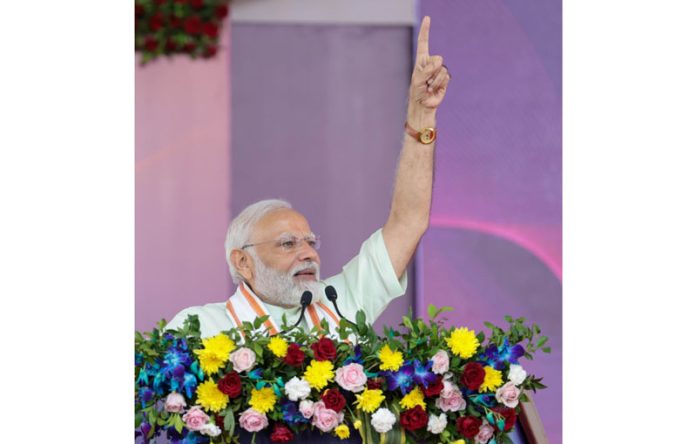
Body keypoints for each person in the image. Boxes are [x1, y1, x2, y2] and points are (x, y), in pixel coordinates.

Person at [166, 16, 451, 339]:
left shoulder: (342, 304)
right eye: (288, 243)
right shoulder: (200, 328)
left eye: (311, 242)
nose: (309, 254)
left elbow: (409, 222)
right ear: (243, 262)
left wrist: (422, 114)